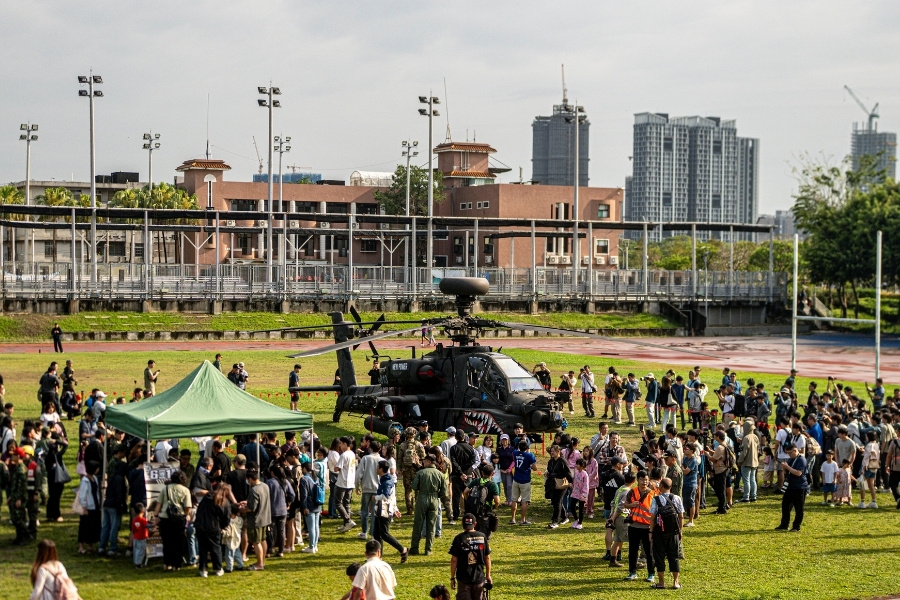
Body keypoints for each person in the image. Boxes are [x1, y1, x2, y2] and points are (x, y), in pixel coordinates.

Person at [149, 470, 193, 571]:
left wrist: (155, 516)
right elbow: (187, 507)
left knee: (167, 542)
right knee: (178, 542)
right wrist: (187, 515)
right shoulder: (185, 490)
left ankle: (167, 563)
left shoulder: (165, 488)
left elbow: (158, 504)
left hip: (165, 518)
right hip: (179, 519)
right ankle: (176, 565)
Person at [648, 478, 684, 590]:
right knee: (674, 557)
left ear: (662, 486)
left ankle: (661, 582)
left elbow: (652, 518)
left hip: (659, 532)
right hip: (673, 532)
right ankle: (675, 582)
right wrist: (680, 531)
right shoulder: (677, 498)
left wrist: (651, 532)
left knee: (659, 557)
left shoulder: (656, 499)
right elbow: (681, 516)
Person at [622, 470, 656, 584]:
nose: (644, 482)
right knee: (633, 551)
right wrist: (631, 505)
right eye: (642, 479)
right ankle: (632, 572)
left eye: (646, 480)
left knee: (649, 552)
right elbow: (625, 504)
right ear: (637, 480)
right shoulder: (632, 492)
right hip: (634, 526)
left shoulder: (653, 493)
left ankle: (651, 573)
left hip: (647, 527)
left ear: (649, 480)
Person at [370, 459, 408, 562]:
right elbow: (393, 495)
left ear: (381, 469)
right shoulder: (385, 479)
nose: (376, 469)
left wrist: (375, 497)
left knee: (384, 534)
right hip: (381, 509)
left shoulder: (387, 481)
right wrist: (395, 508)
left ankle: (403, 549)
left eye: (377, 467)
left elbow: (386, 496)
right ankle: (378, 557)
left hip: (385, 510)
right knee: (376, 534)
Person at [410, 453, 448, 555]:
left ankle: (414, 548)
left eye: (424, 461)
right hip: (434, 499)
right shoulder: (440, 474)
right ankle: (428, 549)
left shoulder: (421, 473)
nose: (423, 462)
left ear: (428, 461)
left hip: (422, 498)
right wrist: (436, 495)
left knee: (418, 524)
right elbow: (444, 491)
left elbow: (414, 486)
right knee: (431, 525)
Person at [449, 513, 492, 600]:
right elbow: (487, 557)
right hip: (479, 578)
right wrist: (488, 575)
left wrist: (452, 578)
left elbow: (454, 559)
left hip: (463, 579)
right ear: (475, 524)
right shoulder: (482, 537)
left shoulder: (459, 538)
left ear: (462, 524)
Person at [195, 482, 232, 577]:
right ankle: (218, 568)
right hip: (214, 527)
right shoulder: (224, 502)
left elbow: (199, 511)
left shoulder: (206, 498)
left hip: (200, 526)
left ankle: (203, 569)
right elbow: (226, 518)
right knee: (216, 548)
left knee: (202, 548)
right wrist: (222, 527)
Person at [775, 443, 808, 532]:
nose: (789, 455)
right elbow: (787, 472)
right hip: (790, 486)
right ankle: (784, 525)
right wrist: (784, 467)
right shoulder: (790, 459)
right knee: (785, 506)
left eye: (790, 453)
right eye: (787, 453)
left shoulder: (801, 460)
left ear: (795, 450)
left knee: (799, 508)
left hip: (799, 487)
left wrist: (787, 467)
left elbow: (798, 473)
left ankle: (796, 526)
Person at [333, 436, 358, 532]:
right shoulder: (352, 453)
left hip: (342, 482)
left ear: (344, 444)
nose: (340, 446)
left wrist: (335, 467)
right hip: (350, 482)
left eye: (341, 444)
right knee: (346, 503)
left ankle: (348, 520)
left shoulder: (344, 455)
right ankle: (346, 525)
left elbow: (337, 468)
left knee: (338, 503)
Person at [77, 461, 102, 554]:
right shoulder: (85, 480)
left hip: (95, 506)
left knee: (92, 527)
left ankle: (90, 545)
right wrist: (84, 507)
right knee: (84, 527)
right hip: (88, 507)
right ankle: (81, 546)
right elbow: (82, 495)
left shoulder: (95, 478)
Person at [510, 439, 537, 525]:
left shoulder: (515, 453)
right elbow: (535, 468)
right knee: (525, 501)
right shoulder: (530, 455)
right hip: (525, 480)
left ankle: (513, 519)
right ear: (527, 447)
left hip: (516, 478)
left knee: (514, 499)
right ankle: (522, 520)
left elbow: (515, 452)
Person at [298, 461, 323, 554]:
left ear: (305, 468)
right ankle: (315, 545)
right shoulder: (316, 478)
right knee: (316, 527)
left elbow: (304, 495)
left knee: (311, 527)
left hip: (309, 506)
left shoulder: (304, 479)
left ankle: (311, 546)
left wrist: (304, 507)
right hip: (317, 505)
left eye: (302, 469)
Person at [545, 445, 572, 528]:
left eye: (553, 451)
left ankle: (555, 521)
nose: (552, 453)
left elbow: (568, 472)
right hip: (553, 483)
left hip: (561, 484)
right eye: (551, 451)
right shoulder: (551, 461)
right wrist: (548, 473)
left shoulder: (562, 461)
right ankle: (564, 517)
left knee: (557, 501)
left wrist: (571, 482)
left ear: (558, 452)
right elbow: (549, 470)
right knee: (555, 501)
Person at [738, 418, 760, 503]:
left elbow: (744, 452)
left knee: (746, 480)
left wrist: (740, 461)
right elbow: (758, 449)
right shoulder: (755, 437)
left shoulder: (746, 438)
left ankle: (746, 497)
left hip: (746, 462)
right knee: (752, 479)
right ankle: (753, 496)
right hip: (754, 461)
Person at [131, 502, 149, 568]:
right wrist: (154, 524)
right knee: (141, 551)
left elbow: (133, 529)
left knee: (136, 550)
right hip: (142, 538)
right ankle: (139, 563)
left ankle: (135, 561)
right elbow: (147, 526)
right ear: (143, 511)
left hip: (136, 538)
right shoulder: (143, 520)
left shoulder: (134, 520)